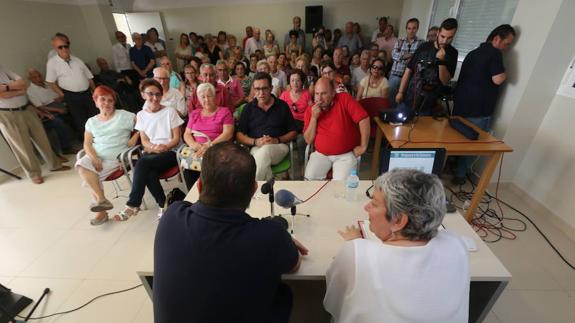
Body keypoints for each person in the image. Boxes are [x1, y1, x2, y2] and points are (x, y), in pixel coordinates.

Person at [154, 141, 308, 322]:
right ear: (253, 190)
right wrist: (284, 241)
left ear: (199, 186)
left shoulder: (171, 215)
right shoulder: (269, 236)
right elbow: (294, 264)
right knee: (283, 293)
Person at [324, 169, 469, 322]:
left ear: (399, 221)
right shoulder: (455, 244)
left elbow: (332, 305)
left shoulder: (355, 252)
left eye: (374, 203)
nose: (366, 207)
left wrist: (354, 245)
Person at [452, 24, 516, 185]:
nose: (507, 48)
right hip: (478, 110)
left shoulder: (472, 53)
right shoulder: (494, 53)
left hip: (460, 105)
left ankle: (452, 167)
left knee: (456, 140)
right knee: (472, 145)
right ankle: (460, 175)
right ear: (496, 39)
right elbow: (498, 79)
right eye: (507, 43)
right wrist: (508, 71)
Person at [116, 79, 183, 220]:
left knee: (141, 163)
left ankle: (133, 204)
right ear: (143, 95)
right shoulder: (141, 115)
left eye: (158, 94)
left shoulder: (170, 112)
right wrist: (154, 147)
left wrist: (164, 147)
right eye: (150, 94)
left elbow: (177, 138)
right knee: (149, 172)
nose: (155, 98)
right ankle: (163, 204)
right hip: (152, 154)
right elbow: (145, 141)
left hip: (171, 152)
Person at [75, 85, 138, 225]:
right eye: (102, 100)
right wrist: (94, 158)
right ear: (96, 101)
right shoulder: (91, 122)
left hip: (116, 157)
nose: (106, 103)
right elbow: (87, 144)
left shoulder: (125, 116)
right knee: (81, 165)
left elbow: (145, 124)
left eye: (110, 100)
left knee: (91, 178)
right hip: (96, 156)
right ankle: (102, 202)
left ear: (114, 102)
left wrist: (136, 136)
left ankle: (101, 210)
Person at [0, 65, 71, 184]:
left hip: (27, 108)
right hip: (8, 114)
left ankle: (55, 165)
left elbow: (24, 85)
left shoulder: (4, 69)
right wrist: (14, 88)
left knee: (42, 138)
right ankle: (34, 174)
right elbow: (3, 95)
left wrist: (6, 88)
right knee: (22, 146)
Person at [304, 77, 369, 180]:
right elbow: (308, 140)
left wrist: (364, 146)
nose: (319, 99)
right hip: (321, 154)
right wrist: (314, 118)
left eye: (324, 93)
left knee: (340, 187)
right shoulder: (311, 110)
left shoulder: (344, 98)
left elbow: (364, 119)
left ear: (333, 93)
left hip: (346, 154)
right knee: (309, 179)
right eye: (317, 94)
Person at [237, 72, 297, 180]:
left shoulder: (282, 106)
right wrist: (255, 142)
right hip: (256, 147)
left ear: (271, 88)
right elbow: (239, 135)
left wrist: (277, 139)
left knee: (263, 153)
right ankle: (267, 191)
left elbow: (293, 131)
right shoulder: (248, 108)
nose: (261, 93)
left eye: (264, 88)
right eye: (257, 89)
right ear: (253, 90)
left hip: (279, 146)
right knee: (262, 160)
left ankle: (250, 188)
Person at [395, 18, 458, 115]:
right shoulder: (424, 47)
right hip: (411, 95)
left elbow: (445, 81)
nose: (445, 41)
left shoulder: (452, 53)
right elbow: (409, 70)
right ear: (438, 33)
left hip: (429, 102)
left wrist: (441, 62)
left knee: (422, 128)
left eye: (449, 38)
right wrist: (400, 92)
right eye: (442, 36)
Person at [182, 83, 234, 189]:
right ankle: (195, 198)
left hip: (217, 147)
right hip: (197, 149)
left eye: (209, 96)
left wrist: (209, 145)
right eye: (203, 97)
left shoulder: (224, 112)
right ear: (199, 99)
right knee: (188, 169)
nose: (206, 99)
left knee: (210, 166)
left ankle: (211, 196)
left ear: (215, 96)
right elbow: (187, 134)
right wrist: (195, 145)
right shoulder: (195, 114)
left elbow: (228, 133)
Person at [46, 34, 98, 138]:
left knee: (95, 116)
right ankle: (90, 143)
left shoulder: (77, 60)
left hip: (87, 93)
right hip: (71, 96)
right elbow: (50, 82)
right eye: (60, 47)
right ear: (55, 48)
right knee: (81, 120)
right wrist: (62, 94)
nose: (64, 49)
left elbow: (89, 77)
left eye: (66, 46)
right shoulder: (52, 63)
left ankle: (102, 138)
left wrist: (96, 93)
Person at [27, 68, 76, 158]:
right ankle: (66, 148)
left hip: (60, 104)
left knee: (76, 111)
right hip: (48, 110)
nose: (38, 78)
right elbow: (39, 107)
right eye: (34, 77)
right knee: (58, 122)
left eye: (39, 76)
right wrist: (57, 110)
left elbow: (59, 95)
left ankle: (84, 137)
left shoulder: (47, 84)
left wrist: (61, 99)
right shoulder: (31, 90)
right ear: (30, 79)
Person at [388, 18, 424, 106]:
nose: (411, 31)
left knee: (406, 101)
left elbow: (420, 58)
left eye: (414, 28)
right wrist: (410, 55)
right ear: (406, 29)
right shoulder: (400, 41)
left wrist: (404, 56)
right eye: (409, 28)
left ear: (417, 29)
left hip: (411, 76)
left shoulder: (421, 43)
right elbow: (394, 55)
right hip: (396, 74)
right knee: (391, 99)